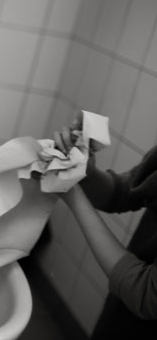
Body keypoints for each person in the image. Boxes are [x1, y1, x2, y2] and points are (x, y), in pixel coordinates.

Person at [54, 113, 157, 339]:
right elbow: (127, 191)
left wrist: (72, 193)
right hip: (121, 313)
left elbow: (146, 294)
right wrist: (84, 171)